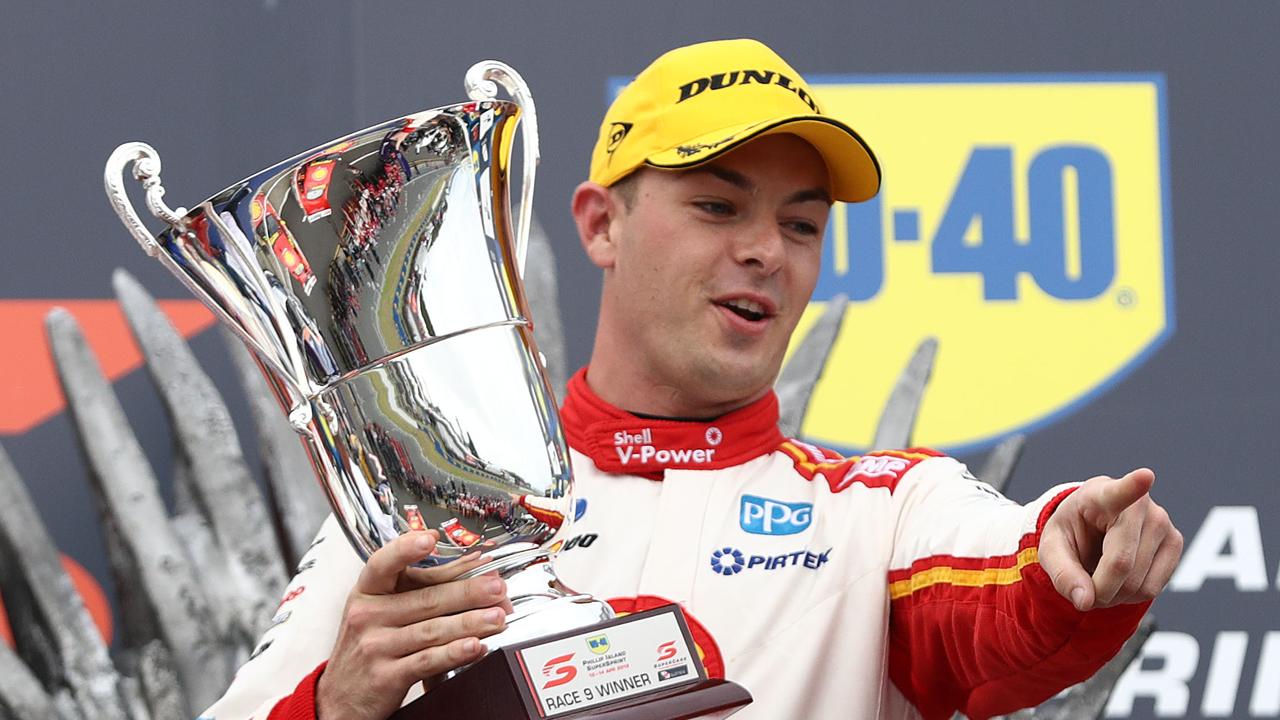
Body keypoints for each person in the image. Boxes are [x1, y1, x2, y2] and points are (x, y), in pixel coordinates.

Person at [199, 39, 1182, 720]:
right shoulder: (425, 504)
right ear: (598, 224)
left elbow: (1008, 587)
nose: (766, 251)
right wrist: (336, 702)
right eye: (718, 206)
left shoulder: (879, 513)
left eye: (801, 224)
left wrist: (1069, 551)